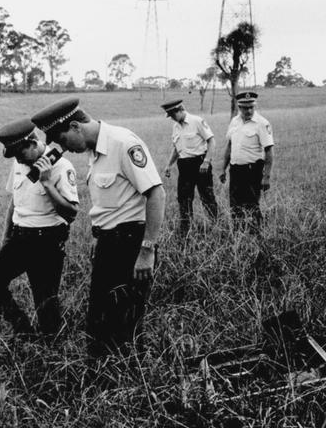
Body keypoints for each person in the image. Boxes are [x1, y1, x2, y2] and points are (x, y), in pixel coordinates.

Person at [31, 97, 165, 358]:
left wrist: (147, 250)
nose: (65, 149)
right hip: (108, 242)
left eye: (65, 141)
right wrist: (98, 236)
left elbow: (156, 194)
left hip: (130, 242)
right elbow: (109, 202)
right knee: (99, 319)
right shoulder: (94, 151)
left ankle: (130, 383)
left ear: (75, 127)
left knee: (126, 320)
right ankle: (103, 382)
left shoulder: (123, 143)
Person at [0, 118, 79, 340]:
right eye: (14, 155)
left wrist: (46, 182)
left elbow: (71, 214)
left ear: (33, 143)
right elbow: (14, 201)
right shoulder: (20, 163)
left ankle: (51, 352)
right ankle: (24, 332)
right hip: (19, 237)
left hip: (47, 240)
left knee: (45, 302)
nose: (17, 160)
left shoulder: (62, 167)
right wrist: (6, 237)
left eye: (20, 153)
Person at [160, 99, 217, 236]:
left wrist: (207, 161)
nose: (172, 119)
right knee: (184, 197)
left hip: (200, 163)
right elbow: (176, 148)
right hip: (184, 165)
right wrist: (169, 165)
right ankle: (186, 228)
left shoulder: (197, 121)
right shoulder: (176, 127)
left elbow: (211, 141)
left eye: (173, 115)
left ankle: (215, 225)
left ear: (180, 110)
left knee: (207, 196)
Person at [219, 91, 274, 233]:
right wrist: (223, 169)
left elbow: (269, 151)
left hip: (253, 170)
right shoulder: (234, 121)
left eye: (251, 107)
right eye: (244, 107)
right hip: (235, 170)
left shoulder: (262, 123)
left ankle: (258, 233)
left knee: (252, 204)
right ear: (239, 107)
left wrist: (266, 177)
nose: (248, 110)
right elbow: (230, 146)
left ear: (254, 106)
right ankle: (238, 233)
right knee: (235, 205)